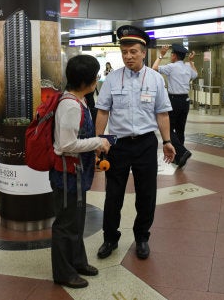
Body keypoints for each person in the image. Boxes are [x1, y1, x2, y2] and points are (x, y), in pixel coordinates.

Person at [95, 25, 175, 260]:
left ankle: (142, 238)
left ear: (143, 52)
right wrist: (100, 141)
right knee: (113, 195)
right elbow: (102, 111)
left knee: (146, 194)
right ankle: (110, 238)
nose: (128, 56)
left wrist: (167, 141)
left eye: (132, 52)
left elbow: (162, 113)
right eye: (124, 52)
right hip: (117, 144)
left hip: (146, 143)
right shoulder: (112, 78)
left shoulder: (155, 79)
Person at [51, 54, 111, 289]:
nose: (97, 79)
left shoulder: (80, 100)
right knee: (66, 224)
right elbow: (64, 145)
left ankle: (77, 261)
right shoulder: (70, 106)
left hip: (76, 173)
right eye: (95, 76)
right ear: (87, 81)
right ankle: (63, 272)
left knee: (76, 220)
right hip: (67, 175)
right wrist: (97, 142)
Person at [152, 44, 198, 168]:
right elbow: (196, 75)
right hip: (186, 100)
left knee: (168, 128)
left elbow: (154, 68)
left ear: (174, 55)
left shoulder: (171, 67)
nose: (170, 56)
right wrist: (191, 62)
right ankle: (179, 157)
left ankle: (182, 152)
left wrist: (161, 54)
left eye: (171, 54)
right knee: (180, 129)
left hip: (174, 100)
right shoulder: (188, 68)